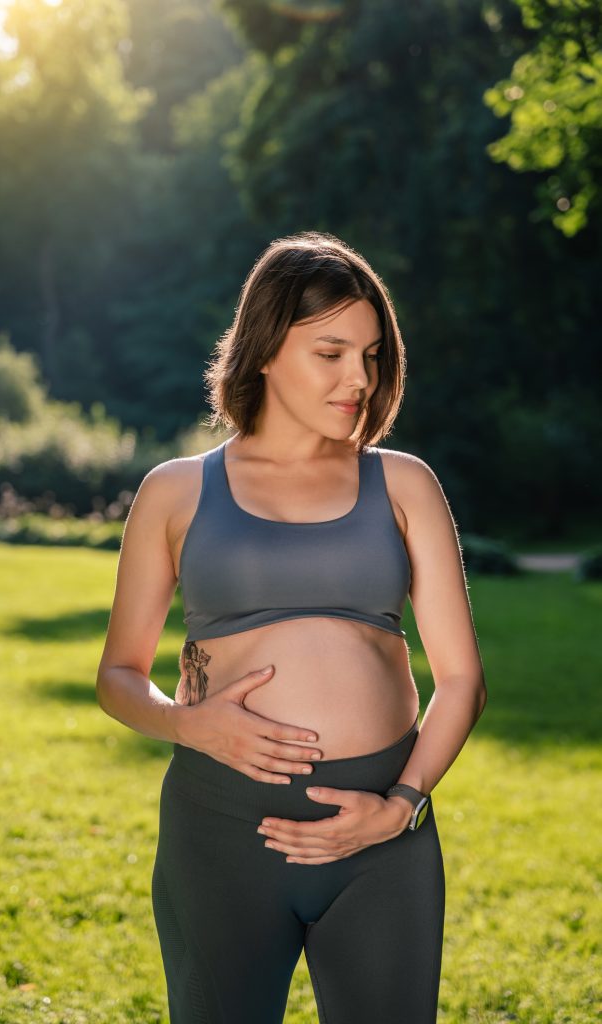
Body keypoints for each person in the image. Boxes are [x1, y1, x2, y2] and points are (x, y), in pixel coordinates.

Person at [96, 230, 488, 1024]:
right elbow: (117, 677)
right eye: (331, 352)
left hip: (383, 836)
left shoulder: (403, 482)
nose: (359, 379)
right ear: (266, 349)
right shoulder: (175, 493)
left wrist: (401, 803)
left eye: (372, 356)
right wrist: (190, 725)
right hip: (221, 827)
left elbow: (461, 681)